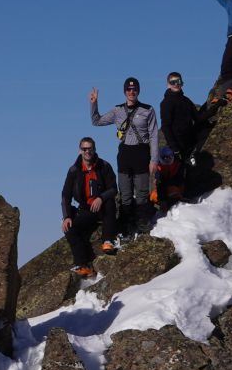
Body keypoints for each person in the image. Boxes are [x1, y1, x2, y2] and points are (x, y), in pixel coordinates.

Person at [89, 78, 160, 246]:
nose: (131, 92)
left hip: (142, 153)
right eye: (128, 89)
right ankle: (127, 228)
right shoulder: (117, 111)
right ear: (124, 92)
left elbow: (154, 136)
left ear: (138, 91)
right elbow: (96, 121)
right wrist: (94, 103)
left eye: (134, 89)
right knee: (126, 195)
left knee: (142, 193)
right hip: (125, 155)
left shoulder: (148, 110)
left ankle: (142, 226)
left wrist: (154, 159)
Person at [61, 136, 115, 276]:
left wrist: (101, 198)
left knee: (109, 201)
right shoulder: (74, 171)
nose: (87, 152)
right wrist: (66, 217)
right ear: (80, 151)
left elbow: (113, 189)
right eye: (84, 149)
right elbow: (66, 195)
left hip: (103, 207)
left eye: (89, 149)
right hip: (86, 210)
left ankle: (108, 240)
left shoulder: (104, 166)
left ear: (94, 149)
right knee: (69, 228)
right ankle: (83, 265)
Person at [155, 71, 201, 208]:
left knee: (186, 173)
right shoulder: (166, 103)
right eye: (173, 82)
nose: (176, 84)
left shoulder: (186, 101)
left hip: (189, 143)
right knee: (172, 175)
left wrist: (215, 110)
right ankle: (168, 204)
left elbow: (197, 118)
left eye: (178, 81)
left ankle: (186, 199)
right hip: (175, 145)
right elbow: (165, 126)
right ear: (168, 84)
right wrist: (173, 146)